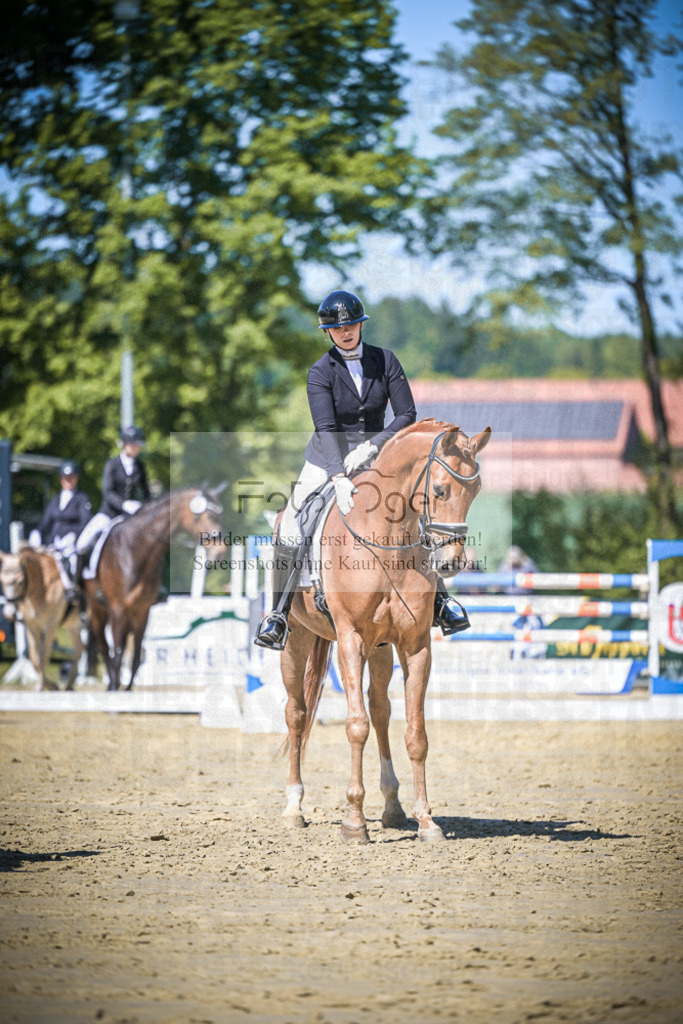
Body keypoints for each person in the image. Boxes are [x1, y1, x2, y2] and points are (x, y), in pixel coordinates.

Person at [254, 289, 471, 650]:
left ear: (360, 326)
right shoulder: (320, 371)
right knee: (291, 521)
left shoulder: (385, 360)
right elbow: (326, 428)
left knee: (414, 511)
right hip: (327, 458)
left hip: (378, 457)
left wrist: (374, 445)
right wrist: (338, 476)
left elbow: (406, 414)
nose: (346, 332)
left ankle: (440, 600)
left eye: (351, 325)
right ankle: (277, 613)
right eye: (338, 329)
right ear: (328, 332)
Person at [75, 425, 151, 563]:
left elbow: (147, 493)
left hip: (129, 516)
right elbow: (108, 492)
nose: (137, 448)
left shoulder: (140, 467)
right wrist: (124, 505)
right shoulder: (112, 464)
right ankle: (79, 576)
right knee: (82, 543)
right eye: (134, 445)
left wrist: (145, 507)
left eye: (138, 445)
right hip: (109, 513)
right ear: (125, 444)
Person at [29, 460, 93, 603]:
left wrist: (73, 535)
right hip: (53, 543)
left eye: (71, 478)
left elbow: (85, 522)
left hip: (72, 543)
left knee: (73, 562)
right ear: (61, 479)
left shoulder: (82, 498)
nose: (68, 481)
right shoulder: (56, 499)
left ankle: (75, 590)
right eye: (65, 478)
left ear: (76, 478)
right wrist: (37, 533)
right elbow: (46, 523)